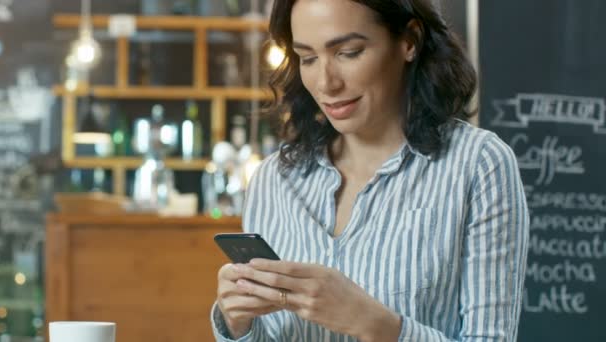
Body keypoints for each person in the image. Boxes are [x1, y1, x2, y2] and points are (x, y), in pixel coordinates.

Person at [211, 0, 529, 341]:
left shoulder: (478, 165)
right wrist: (237, 325)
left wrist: (371, 322)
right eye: (308, 58)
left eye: (348, 52)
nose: (326, 83)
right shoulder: (274, 179)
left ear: (409, 41)